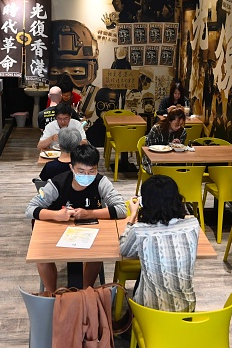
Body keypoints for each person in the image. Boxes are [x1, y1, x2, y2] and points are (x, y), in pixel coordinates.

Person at [26, 144, 127, 292]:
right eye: (81, 171)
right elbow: (30, 209)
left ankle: (86, 292)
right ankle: (51, 293)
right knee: (41, 256)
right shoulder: (57, 183)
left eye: (91, 171)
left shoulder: (101, 182)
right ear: (72, 168)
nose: (86, 176)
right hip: (57, 230)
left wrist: (89, 213)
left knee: (97, 254)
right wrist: (57, 215)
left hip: (89, 231)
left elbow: (121, 209)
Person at [120, 175, 200, 312]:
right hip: (187, 308)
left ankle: (131, 329)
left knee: (144, 274)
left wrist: (132, 217)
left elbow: (124, 250)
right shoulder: (193, 224)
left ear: (145, 203)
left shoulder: (140, 231)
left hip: (150, 313)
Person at [143, 106, 187, 173]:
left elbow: (181, 151)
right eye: (176, 124)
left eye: (181, 125)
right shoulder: (156, 129)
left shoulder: (182, 131)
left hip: (172, 159)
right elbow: (149, 149)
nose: (178, 127)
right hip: (154, 159)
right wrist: (169, 146)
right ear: (169, 121)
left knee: (182, 170)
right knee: (159, 171)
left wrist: (178, 146)